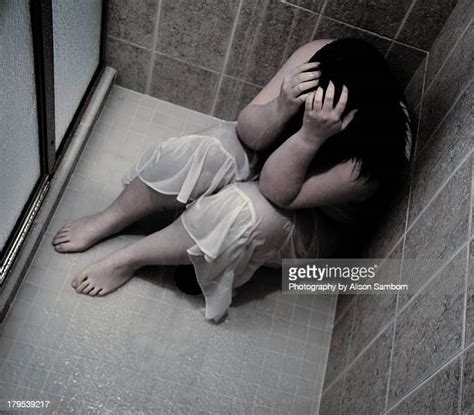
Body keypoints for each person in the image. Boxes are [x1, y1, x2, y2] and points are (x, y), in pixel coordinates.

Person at [52, 38, 412, 321]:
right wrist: (284, 104)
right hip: (282, 165)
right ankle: (111, 218)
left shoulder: (374, 159)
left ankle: (130, 258)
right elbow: (251, 133)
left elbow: (276, 191)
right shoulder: (319, 55)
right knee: (208, 148)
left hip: (315, 220)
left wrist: (309, 136)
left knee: (241, 210)